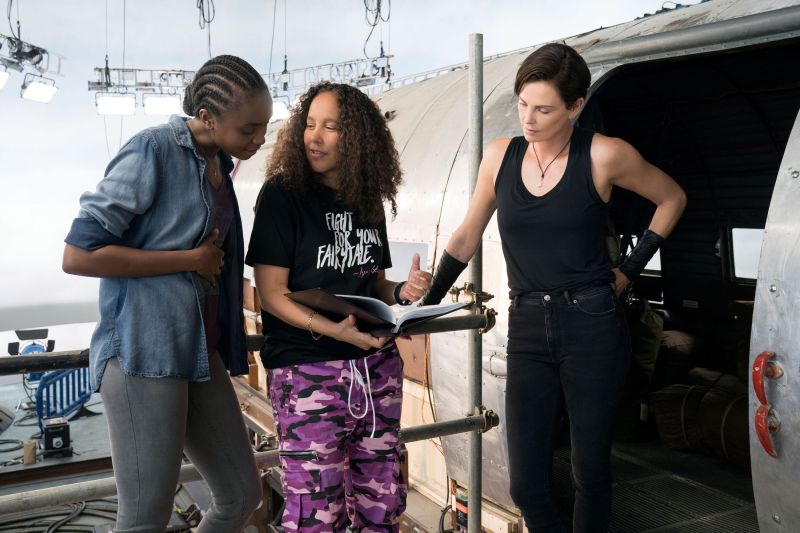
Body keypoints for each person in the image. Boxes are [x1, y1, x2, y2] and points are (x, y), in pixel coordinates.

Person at [421, 43, 687, 532]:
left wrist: (629, 268)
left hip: (592, 324)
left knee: (591, 474)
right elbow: (467, 235)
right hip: (525, 327)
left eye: (544, 109)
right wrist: (426, 305)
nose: (529, 118)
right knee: (525, 485)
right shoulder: (500, 156)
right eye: (523, 103)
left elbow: (672, 197)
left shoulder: (604, 154)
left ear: (576, 106)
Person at [62, 55, 272, 533]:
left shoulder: (217, 159)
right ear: (207, 117)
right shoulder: (152, 151)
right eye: (250, 128)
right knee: (144, 521)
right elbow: (78, 254)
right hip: (144, 353)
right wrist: (188, 260)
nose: (259, 139)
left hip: (199, 350)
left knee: (241, 495)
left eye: (264, 126)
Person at [246, 81, 430, 532]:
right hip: (309, 371)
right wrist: (336, 332)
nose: (315, 136)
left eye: (331, 127)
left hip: (376, 372)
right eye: (310, 124)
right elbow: (271, 293)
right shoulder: (282, 195)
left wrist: (404, 293)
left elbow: (374, 283)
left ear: (358, 138)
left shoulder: (367, 199)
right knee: (316, 513)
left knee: (381, 503)